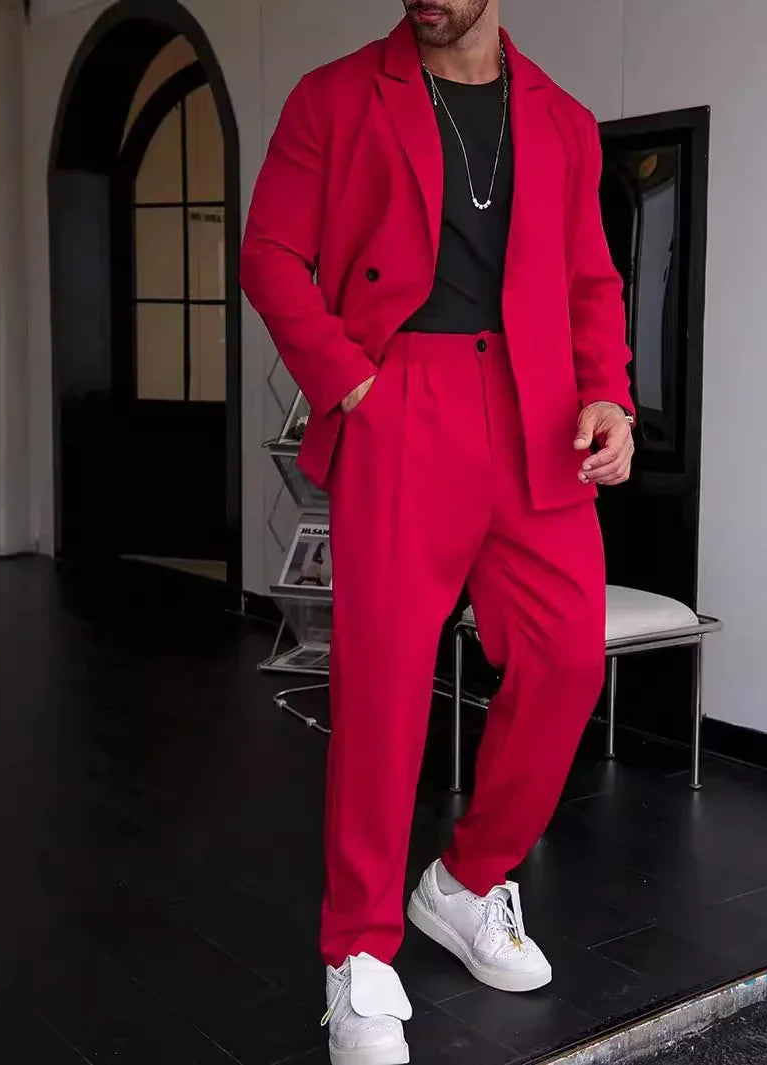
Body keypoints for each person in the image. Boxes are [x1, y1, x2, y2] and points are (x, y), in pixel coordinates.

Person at [241, 2, 635, 1061]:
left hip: (539, 412)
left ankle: (462, 884)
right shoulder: (333, 97)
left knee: (563, 657)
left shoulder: (564, 119)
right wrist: (351, 381)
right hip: (401, 395)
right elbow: (271, 251)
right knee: (383, 684)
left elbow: (590, 281)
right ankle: (357, 952)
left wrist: (610, 396)